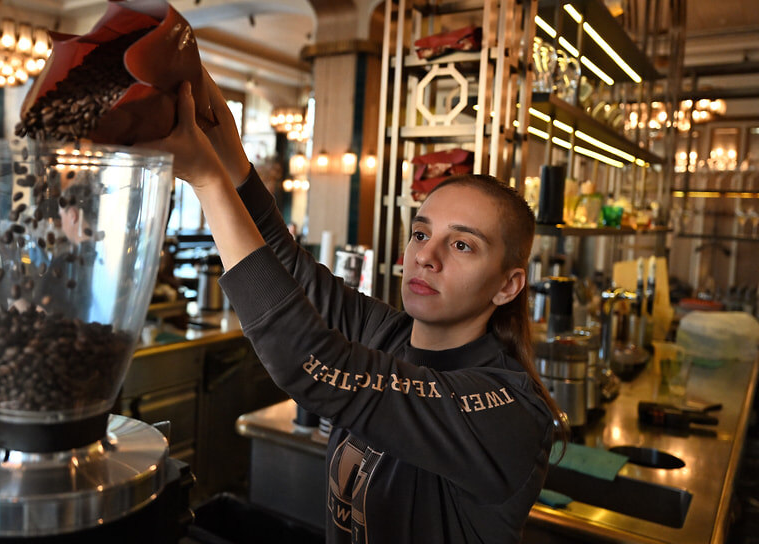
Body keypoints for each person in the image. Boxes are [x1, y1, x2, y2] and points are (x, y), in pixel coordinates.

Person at [141, 76, 565, 543]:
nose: (426, 256)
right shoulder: (386, 334)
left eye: (462, 244)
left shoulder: (506, 409)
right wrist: (228, 155)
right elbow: (287, 264)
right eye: (421, 234)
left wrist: (207, 181)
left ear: (507, 286)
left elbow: (310, 364)